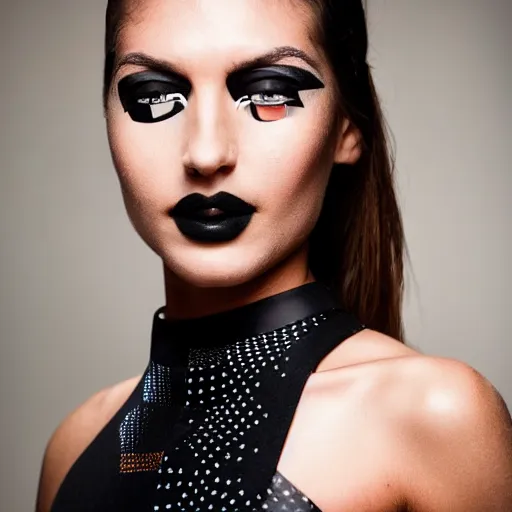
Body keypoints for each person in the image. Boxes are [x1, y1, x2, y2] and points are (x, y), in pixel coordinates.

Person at [35, 0, 512, 511]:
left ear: (347, 129)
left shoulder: (432, 416)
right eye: (156, 97)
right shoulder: (74, 445)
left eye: (268, 94)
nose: (206, 153)